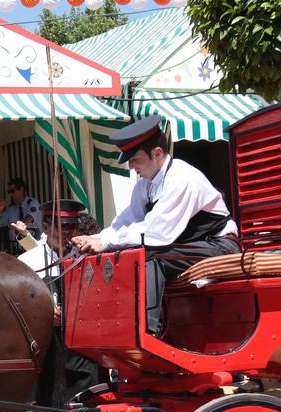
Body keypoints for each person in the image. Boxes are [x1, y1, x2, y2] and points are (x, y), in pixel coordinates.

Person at [71, 115, 239, 336]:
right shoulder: (144, 186)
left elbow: (156, 234)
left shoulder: (182, 178)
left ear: (157, 154)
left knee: (150, 255)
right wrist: (96, 239)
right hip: (188, 247)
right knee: (128, 251)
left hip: (219, 247)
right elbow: (125, 222)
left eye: (135, 159)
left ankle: (148, 332)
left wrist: (106, 242)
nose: (131, 166)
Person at [12, 199, 105, 406]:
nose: (67, 233)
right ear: (45, 227)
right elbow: (14, 307)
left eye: (72, 226)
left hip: (83, 350)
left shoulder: (89, 256)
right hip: (46, 348)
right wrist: (42, 314)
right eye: (61, 227)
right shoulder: (28, 262)